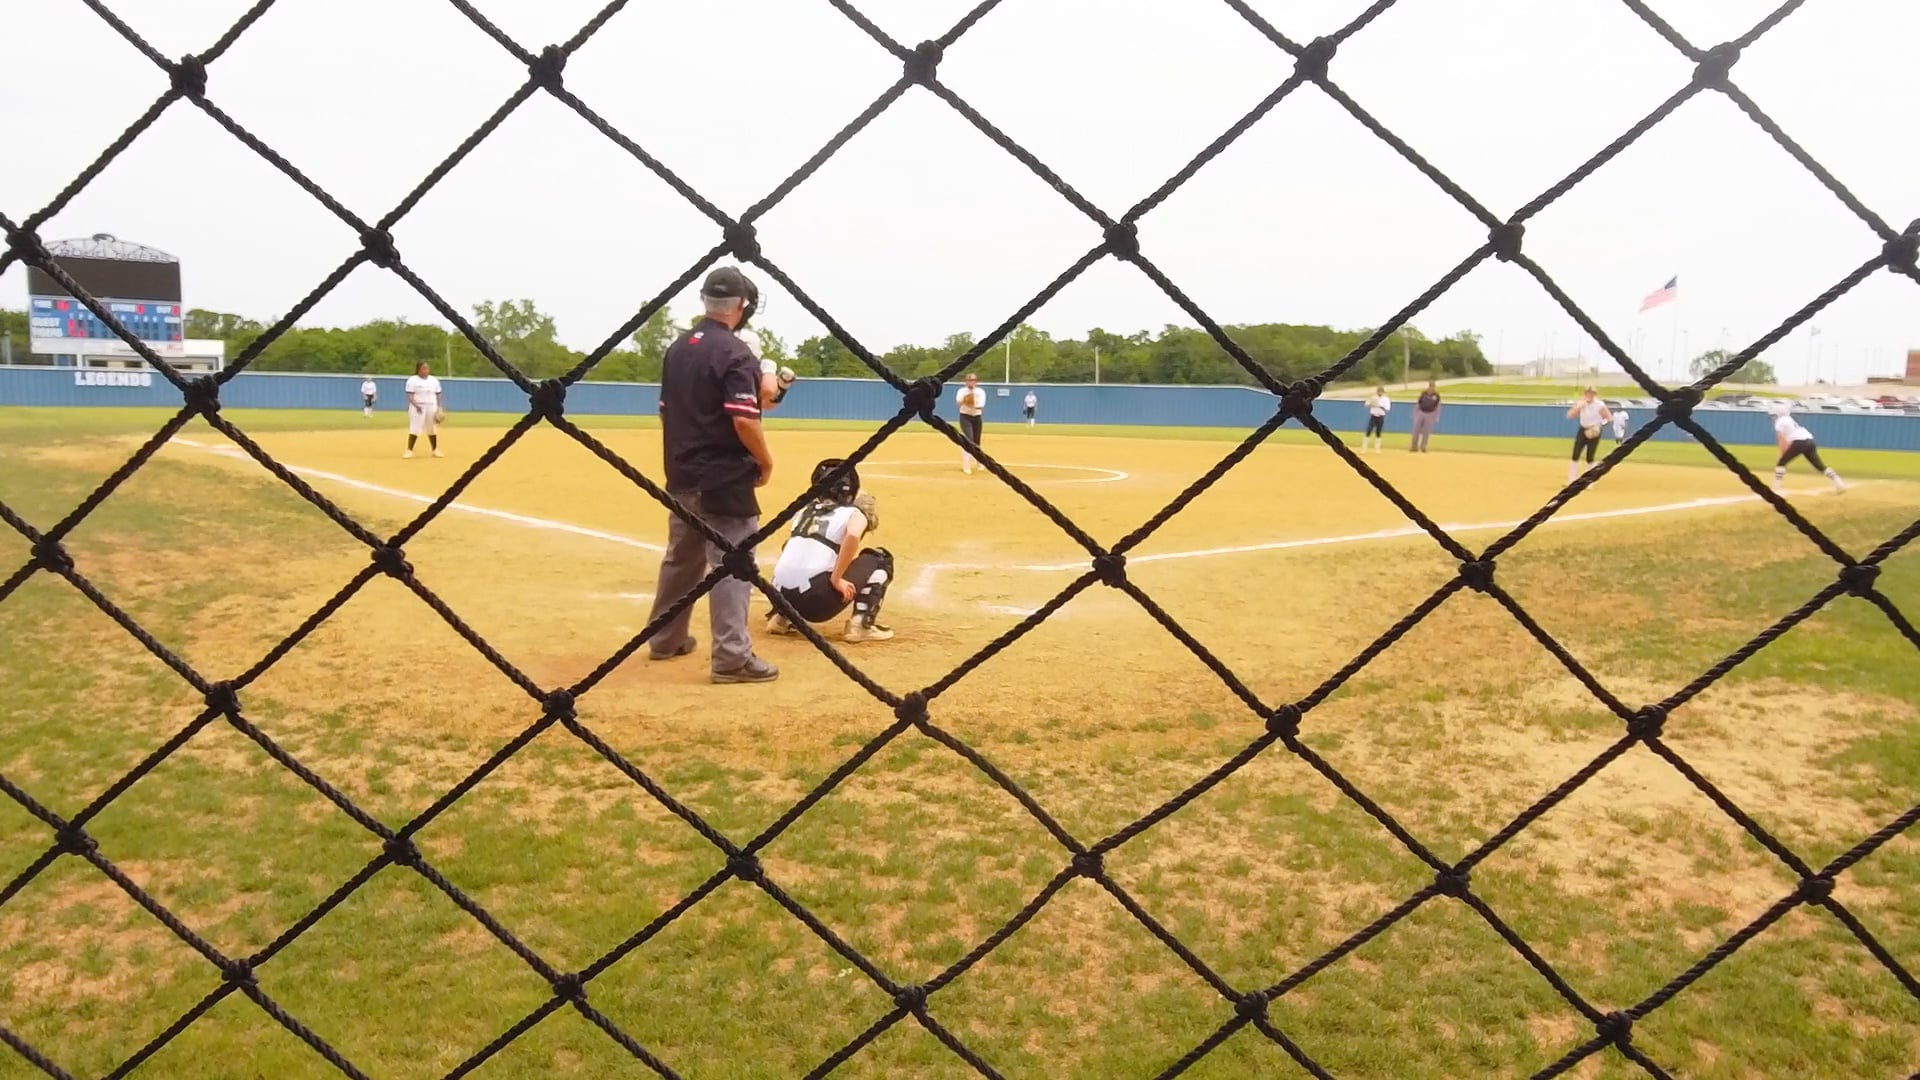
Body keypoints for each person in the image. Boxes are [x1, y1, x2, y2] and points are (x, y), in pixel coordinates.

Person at [646, 266, 780, 684]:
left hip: (681, 472)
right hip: (723, 478)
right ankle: (732, 658)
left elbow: (664, 412)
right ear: (741, 305)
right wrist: (765, 461)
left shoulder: (678, 348)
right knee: (733, 563)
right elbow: (744, 419)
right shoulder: (736, 353)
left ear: (705, 300)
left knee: (682, 558)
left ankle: (664, 638)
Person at [767, 459, 895, 643]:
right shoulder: (854, 513)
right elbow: (852, 535)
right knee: (880, 559)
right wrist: (836, 578)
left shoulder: (803, 510)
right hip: (817, 603)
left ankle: (781, 617)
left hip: (780, 596)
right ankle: (861, 625)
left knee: (796, 547)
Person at [1770, 402, 1846, 494]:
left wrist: (1782, 454)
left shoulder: (1780, 421)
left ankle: (1776, 488)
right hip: (1810, 441)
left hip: (1799, 442)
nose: (1773, 417)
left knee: (1781, 464)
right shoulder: (1790, 419)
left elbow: (1781, 438)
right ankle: (1839, 483)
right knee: (1819, 465)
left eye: (1774, 415)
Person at [1565, 387, 1611, 481]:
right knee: (1575, 454)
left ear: (1595, 395)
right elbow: (1569, 415)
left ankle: (1589, 480)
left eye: (1592, 393)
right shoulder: (1582, 403)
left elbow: (1609, 418)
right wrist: (1578, 407)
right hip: (1583, 429)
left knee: (1590, 456)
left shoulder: (1599, 405)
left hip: (1594, 430)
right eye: (1587, 393)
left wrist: (1600, 425)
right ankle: (1571, 480)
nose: (1589, 395)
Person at [403, 362, 443, 458]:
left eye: (427, 368)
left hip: (431, 406)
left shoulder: (433, 380)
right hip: (418, 407)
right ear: (419, 370)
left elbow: (438, 394)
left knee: (432, 428)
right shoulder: (413, 380)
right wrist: (416, 405)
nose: (426, 370)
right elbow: (410, 395)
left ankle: (435, 450)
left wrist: (439, 407)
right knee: (415, 428)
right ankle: (409, 450)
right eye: (424, 368)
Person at [956, 372, 987, 473]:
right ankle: (966, 465)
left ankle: (979, 461)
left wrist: (971, 402)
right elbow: (959, 403)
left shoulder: (980, 392)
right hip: (965, 417)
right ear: (966, 382)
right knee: (968, 440)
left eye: (973, 380)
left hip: (977, 417)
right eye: (969, 380)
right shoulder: (961, 391)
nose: (971, 382)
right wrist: (965, 400)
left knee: (977, 441)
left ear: (976, 382)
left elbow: (980, 406)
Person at [1410, 381, 1441, 452]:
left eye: (1433, 387)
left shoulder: (1436, 395)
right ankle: (1414, 446)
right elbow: (1418, 403)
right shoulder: (1424, 393)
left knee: (1426, 431)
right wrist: (1415, 413)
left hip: (1430, 414)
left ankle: (1423, 447)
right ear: (1429, 387)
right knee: (1416, 430)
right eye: (1431, 386)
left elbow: (1438, 406)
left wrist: (1437, 416)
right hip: (1421, 412)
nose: (1432, 388)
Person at [1362, 386, 1390, 452]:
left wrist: (1380, 406)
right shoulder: (1373, 398)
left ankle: (1377, 448)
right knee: (1368, 431)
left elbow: (1387, 409)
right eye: (1378, 391)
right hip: (1373, 416)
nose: (1379, 393)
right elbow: (1366, 405)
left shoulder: (1386, 399)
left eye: (1381, 392)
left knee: (1378, 432)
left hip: (1381, 416)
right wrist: (1371, 404)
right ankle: (1364, 448)